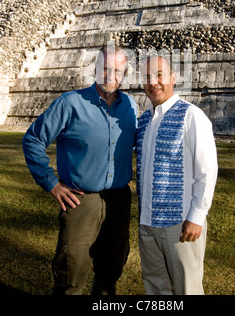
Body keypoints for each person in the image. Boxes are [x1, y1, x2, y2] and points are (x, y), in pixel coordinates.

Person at [22, 44, 137, 295]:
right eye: (105, 69)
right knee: (71, 274)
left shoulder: (131, 106)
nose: (111, 76)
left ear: (125, 74)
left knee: (111, 270)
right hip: (81, 201)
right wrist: (51, 182)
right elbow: (33, 139)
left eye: (118, 71)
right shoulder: (70, 103)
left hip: (119, 200)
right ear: (95, 69)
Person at [136, 55, 218, 295]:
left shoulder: (191, 115)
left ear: (173, 78)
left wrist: (197, 215)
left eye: (160, 75)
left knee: (187, 289)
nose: (154, 82)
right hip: (147, 222)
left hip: (180, 224)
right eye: (147, 77)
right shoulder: (144, 121)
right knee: (156, 288)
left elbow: (207, 169)